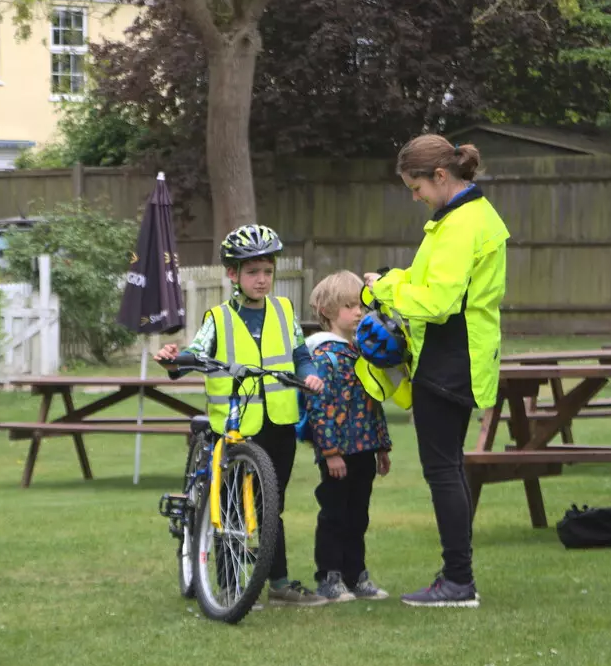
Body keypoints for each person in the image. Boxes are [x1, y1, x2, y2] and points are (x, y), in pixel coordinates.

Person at [363, 134, 509, 608]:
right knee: (448, 468)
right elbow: (429, 281)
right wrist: (388, 281)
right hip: (458, 354)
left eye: (416, 186)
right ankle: (455, 574)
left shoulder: (461, 224)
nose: (415, 196)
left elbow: (439, 301)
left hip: (450, 357)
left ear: (441, 176)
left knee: (443, 470)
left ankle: (458, 581)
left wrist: (385, 292)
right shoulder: (462, 217)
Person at [157, 224, 326, 607]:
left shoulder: (284, 311)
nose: (262, 280)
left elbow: (300, 354)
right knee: (231, 507)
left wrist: (310, 374)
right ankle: (230, 588)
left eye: (267, 271)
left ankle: (279, 583)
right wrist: (174, 360)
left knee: (272, 506)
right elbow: (195, 354)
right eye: (252, 272)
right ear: (233, 274)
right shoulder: (218, 318)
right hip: (232, 426)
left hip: (278, 423)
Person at [301, 271, 395, 603]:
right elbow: (320, 407)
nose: (357, 312)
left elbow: (374, 402)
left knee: (359, 515)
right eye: (348, 306)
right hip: (338, 454)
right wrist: (330, 452)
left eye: (360, 305)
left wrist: (382, 445)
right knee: (334, 514)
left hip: (364, 450)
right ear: (327, 311)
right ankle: (329, 576)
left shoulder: (361, 351)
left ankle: (356, 575)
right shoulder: (323, 355)